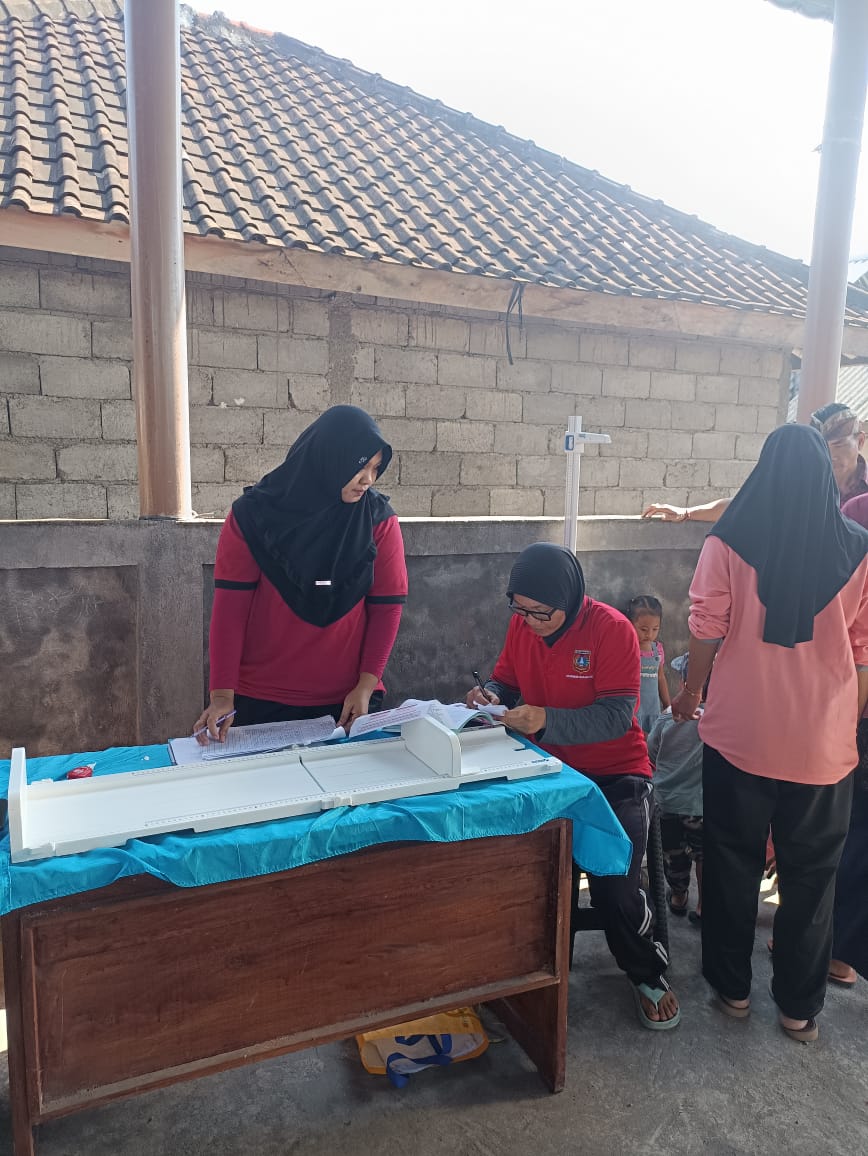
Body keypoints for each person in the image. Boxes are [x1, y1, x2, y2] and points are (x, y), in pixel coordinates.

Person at [670, 424, 868, 1043]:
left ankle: (732, 991)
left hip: (741, 738)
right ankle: (798, 1010)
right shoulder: (859, 548)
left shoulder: (727, 540)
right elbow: (863, 650)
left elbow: (706, 627)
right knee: (812, 878)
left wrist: (690, 694)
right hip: (822, 748)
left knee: (732, 861)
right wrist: (845, 722)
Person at [465, 543, 680, 1030]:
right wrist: (490, 695)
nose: (530, 622)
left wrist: (545, 720)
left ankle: (645, 970)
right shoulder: (523, 625)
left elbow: (616, 715)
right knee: (513, 870)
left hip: (616, 774)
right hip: (546, 770)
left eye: (541, 612)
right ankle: (522, 969)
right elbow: (506, 681)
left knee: (614, 887)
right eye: (520, 610)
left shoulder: (612, 630)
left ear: (569, 597)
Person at [193, 406, 408, 742]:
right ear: (328, 459)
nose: (368, 479)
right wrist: (221, 695)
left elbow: (387, 607)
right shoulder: (252, 517)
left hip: (348, 700)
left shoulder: (378, 520)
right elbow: (230, 610)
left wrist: (367, 685)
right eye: (360, 466)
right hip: (260, 698)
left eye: (375, 468)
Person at [641, 402, 868, 522]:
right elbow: (748, 504)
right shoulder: (803, 482)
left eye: (839, 445)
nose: (829, 455)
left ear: (860, 441)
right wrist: (687, 512)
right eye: (821, 447)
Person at [647, 654, 704, 925]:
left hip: (667, 801)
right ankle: (704, 903)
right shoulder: (719, 719)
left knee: (673, 855)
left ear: (683, 682)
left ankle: (679, 896)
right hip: (702, 805)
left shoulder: (668, 716)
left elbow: (652, 750)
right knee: (705, 855)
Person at [624, 595, 670, 733]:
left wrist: (667, 705)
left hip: (653, 709)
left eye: (655, 629)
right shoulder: (627, 649)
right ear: (631, 624)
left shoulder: (657, 650)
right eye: (643, 629)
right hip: (633, 710)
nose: (649, 634)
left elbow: (660, 677)